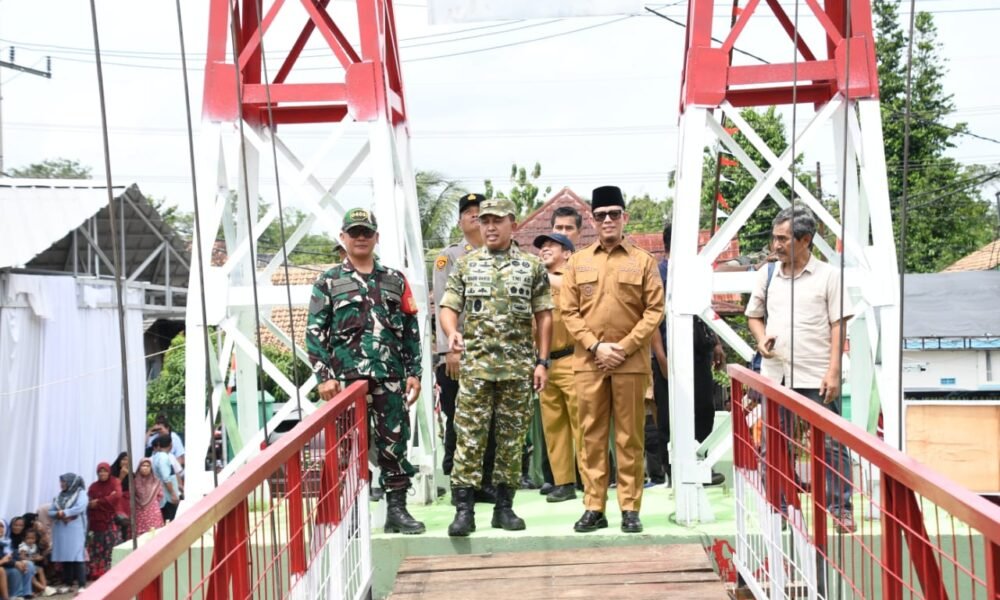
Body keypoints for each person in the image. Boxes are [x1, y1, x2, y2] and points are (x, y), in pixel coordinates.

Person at [306, 207, 425, 535]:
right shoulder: (328, 281)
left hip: (389, 376)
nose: (361, 238)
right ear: (343, 238)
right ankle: (351, 515)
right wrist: (324, 376)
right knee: (347, 447)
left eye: (366, 232)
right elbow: (314, 333)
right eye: (354, 232)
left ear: (376, 237)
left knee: (393, 443)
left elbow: (410, 330)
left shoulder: (394, 280)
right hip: (345, 381)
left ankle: (397, 510)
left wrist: (415, 372)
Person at [440, 197, 553, 536]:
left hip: (517, 369)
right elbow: (448, 306)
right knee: (469, 438)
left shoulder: (532, 266)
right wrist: (451, 334)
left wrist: (542, 362)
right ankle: (464, 510)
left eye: (496, 220)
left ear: (511, 224)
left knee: (511, 441)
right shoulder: (466, 264)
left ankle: (505, 508)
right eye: (484, 220)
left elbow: (544, 315)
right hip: (476, 369)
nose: (488, 226)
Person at [745, 206, 855, 533]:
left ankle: (839, 508)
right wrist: (762, 339)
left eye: (783, 238)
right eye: (774, 237)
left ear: (805, 240)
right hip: (776, 375)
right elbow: (754, 315)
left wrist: (833, 371)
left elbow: (839, 325)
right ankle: (778, 507)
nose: (775, 245)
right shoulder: (767, 275)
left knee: (832, 444)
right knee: (772, 443)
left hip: (817, 374)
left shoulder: (829, 276)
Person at [561, 185, 664, 534]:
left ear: (624, 217)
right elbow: (568, 312)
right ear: (592, 219)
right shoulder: (578, 262)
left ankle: (630, 507)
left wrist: (624, 346)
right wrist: (595, 347)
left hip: (630, 363)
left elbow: (654, 310)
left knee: (629, 437)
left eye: (614, 214)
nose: (608, 220)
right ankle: (594, 506)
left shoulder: (643, 261)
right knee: (590, 436)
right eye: (601, 214)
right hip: (589, 363)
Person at [645, 223, 726, 487]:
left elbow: (705, 310)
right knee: (669, 415)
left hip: (698, 354)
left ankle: (701, 465)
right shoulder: (658, 274)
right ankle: (674, 473)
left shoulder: (694, 274)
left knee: (704, 409)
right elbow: (652, 322)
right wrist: (662, 359)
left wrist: (715, 344)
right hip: (668, 355)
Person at [431, 193, 498, 504]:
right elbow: (444, 304)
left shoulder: (502, 254)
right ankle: (460, 483)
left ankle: (486, 481)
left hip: (496, 352)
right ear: (460, 220)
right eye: (469, 212)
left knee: (493, 419)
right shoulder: (449, 257)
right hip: (463, 352)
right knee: (460, 418)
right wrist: (449, 351)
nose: (475, 216)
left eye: (481, 212)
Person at [533, 232, 581, 503]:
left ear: (568, 253)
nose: (545, 249)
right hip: (545, 363)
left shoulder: (571, 279)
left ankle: (589, 478)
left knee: (582, 425)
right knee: (554, 427)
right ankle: (564, 481)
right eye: (542, 246)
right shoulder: (539, 281)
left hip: (572, 358)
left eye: (552, 245)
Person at [48, 474, 88, 594]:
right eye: (61, 482)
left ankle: (82, 584)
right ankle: (67, 583)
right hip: (61, 529)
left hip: (75, 528)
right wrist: (58, 514)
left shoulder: (81, 494)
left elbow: (80, 507)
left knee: (77, 556)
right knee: (66, 556)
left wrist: (64, 513)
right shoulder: (60, 496)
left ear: (71, 482)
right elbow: (50, 512)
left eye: (64, 482)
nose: (62, 485)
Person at [86, 463, 122, 580]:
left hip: (109, 521)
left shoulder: (114, 482)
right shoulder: (93, 487)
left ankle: (109, 571)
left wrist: (99, 502)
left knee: (109, 546)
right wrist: (107, 499)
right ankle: (96, 571)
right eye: (100, 471)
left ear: (109, 472)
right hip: (95, 522)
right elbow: (90, 503)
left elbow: (116, 497)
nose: (102, 474)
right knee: (96, 547)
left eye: (105, 471)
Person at [1, 519, 37, 600]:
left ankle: (26, 593)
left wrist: (20, 561)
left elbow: (14, 554)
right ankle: (15, 595)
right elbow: (2, 559)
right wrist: (15, 563)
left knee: (28, 564)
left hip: (9, 563)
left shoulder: (7, 541)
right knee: (15, 571)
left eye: (2, 526)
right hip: (4, 566)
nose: (0, 529)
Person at [131, 459, 164, 536]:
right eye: (143, 466)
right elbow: (131, 495)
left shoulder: (156, 481)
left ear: (151, 468)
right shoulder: (134, 481)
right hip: (139, 512)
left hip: (153, 512)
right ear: (139, 467)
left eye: (148, 466)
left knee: (154, 535)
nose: (145, 468)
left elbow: (160, 495)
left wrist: (151, 502)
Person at [109, 452, 132, 539]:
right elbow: (112, 489)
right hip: (117, 502)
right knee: (118, 522)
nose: (125, 462)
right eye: (123, 459)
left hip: (127, 503)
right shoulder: (112, 472)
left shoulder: (131, 474)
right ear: (119, 461)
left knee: (126, 525)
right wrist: (121, 476)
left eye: (127, 460)